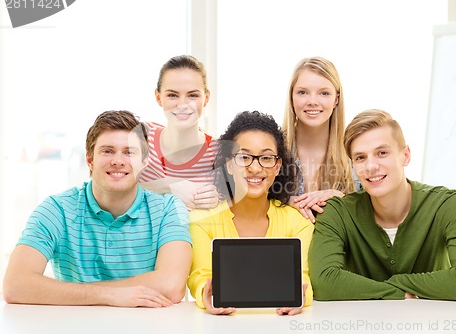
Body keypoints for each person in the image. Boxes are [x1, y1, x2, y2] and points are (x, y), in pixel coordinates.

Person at [3, 110, 192, 307]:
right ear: (90, 159)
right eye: (107, 151)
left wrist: (83, 292)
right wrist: (109, 296)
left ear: (144, 162)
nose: (118, 160)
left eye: (129, 152)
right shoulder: (56, 210)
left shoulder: (168, 210)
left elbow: (171, 286)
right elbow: (16, 285)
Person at [309, 109, 456, 302]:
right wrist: (398, 293)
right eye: (360, 157)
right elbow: (324, 283)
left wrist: (394, 283)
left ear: (406, 155)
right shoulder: (336, 212)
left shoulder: (448, 205)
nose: (370, 166)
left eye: (382, 153)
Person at [188, 111, 314, 315]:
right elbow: (200, 276)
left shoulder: (298, 222)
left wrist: (301, 295)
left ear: (278, 166)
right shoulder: (201, 220)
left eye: (266, 158)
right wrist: (207, 292)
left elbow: (304, 279)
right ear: (229, 163)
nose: (255, 168)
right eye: (244, 157)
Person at [140, 55, 219, 210]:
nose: (182, 104)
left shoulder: (218, 154)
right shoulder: (142, 137)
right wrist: (167, 186)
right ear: (158, 97)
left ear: (206, 98)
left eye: (193, 95)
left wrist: (219, 202)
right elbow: (113, 189)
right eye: (172, 95)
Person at [282, 56, 356, 223]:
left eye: (324, 93)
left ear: (336, 99)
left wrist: (341, 198)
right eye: (302, 92)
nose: (313, 102)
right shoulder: (272, 148)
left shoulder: (353, 151)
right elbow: (248, 201)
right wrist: (284, 202)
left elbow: (373, 210)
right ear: (292, 97)